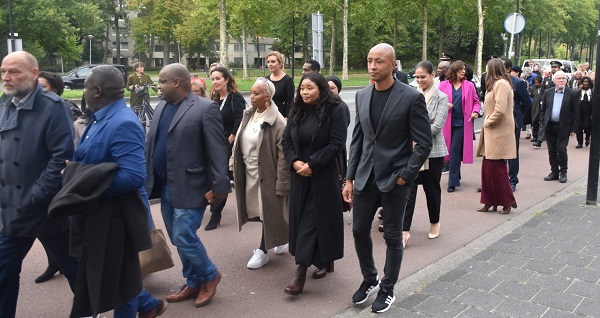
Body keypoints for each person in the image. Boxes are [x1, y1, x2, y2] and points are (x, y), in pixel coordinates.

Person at [49, 65, 167, 318]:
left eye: (87, 86)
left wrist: (83, 184)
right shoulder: (100, 117)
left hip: (114, 219)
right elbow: (94, 164)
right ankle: (148, 306)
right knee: (117, 278)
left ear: (97, 90)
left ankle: (145, 307)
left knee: (122, 284)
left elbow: (134, 176)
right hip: (98, 215)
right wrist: (76, 170)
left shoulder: (123, 122)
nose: (84, 91)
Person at [343, 43, 432, 313]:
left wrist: (405, 176)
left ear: (393, 65)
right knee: (359, 230)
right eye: (370, 60)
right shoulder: (362, 95)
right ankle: (370, 279)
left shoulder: (410, 97)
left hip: (395, 179)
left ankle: (388, 288)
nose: (372, 66)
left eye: (379, 61)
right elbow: (357, 140)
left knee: (392, 236)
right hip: (365, 177)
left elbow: (424, 142)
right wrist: (349, 178)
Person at [0, 51, 78, 318]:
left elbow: (62, 158)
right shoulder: (4, 103)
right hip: (12, 209)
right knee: (3, 272)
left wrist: (36, 196)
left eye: (14, 72)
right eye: (3, 71)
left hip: (45, 209)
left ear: (34, 74)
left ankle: (143, 304)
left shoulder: (54, 107)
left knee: (76, 271)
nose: (6, 77)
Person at [145, 63, 230, 308]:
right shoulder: (160, 107)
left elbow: (217, 150)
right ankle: (193, 281)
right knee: (176, 236)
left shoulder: (205, 108)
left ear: (177, 82)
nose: (158, 86)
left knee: (184, 235)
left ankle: (211, 274)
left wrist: (220, 186)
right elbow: (152, 144)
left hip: (192, 184)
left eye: (162, 81)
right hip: (165, 185)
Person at [281, 72, 347, 296]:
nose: (304, 92)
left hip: (322, 176)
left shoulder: (335, 111)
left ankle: (300, 270)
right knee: (304, 221)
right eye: (302, 88)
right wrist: (295, 162)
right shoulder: (297, 110)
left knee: (312, 220)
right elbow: (287, 139)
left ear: (320, 88)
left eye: (309, 88)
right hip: (300, 175)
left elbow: (336, 144)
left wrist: (313, 164)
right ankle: (324, 259)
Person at [232, 78, 290, 269]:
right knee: (257, 211)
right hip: (249, 173)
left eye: (256, 93)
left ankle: (263, 250)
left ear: (268, 97)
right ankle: (280, 236)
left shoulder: (278, 122)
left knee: (268, 211)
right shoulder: (249, 114)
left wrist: (281, 183)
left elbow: (283, 157)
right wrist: (233, 162)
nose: (251, 96)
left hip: (267, 175)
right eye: (251, 92)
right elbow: (239, 140)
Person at [32, 71, 82, 284]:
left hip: (51, 188)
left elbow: (62, 153)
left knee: (68, 250)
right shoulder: (24, 109)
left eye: (43, 87)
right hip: (29, 190)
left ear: (54, 89)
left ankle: (141, 300)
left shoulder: (60, 109)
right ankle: (55, 263)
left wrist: (40, 190)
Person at [402, 61, 448, 247]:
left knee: (432, 190)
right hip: (411, 151)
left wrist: (413, 131)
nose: (419, 80)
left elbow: (437, 126)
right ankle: (404, 229)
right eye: (417, 77)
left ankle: (434, 222)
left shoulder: (441, 97)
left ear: (432, 75)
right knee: (408, 191)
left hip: (433, 152)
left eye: (423, 77)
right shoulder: (411, 94)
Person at [476, 58, 517, 214]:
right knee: (488, 169)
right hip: (493, 131)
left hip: (498, 131)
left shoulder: (501, 84)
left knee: (497, 169)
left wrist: (487, 123)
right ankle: (489, 201)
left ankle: (507, 201)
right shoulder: (496, 84)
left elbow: (499, 109)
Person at [207, 66, 245, 230]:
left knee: (222, 177)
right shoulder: (214, 99)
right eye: (213, 78)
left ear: (226, 79)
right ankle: (213, 204)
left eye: (218, 78)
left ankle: (216, 214)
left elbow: (240, 120)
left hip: (229, 145)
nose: (215, 82)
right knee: (212, 176)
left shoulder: (235, 98)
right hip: (213, 143)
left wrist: (230, 139)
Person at [438, 60, 481, 192]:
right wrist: (445, 105)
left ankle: (452, 181)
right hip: (447, 123)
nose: (464, 71)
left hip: (463, 124)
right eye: (461, 69)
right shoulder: (443, 85)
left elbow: (476, 102)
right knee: (449, 151)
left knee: (454, 150)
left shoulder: (469, 85)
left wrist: (475, 112)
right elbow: (436, 101)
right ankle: (456, 174)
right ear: (454, 70)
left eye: (464, 69)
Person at [541, 70, 579, 183]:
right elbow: (543, 110)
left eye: (563, 78)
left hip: (564, 127)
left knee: (561, 150)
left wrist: (574, 128)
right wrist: (543, 122)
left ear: (566, 80)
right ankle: (554, 172)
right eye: (559, 78)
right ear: (554, 80)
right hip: (550, 126)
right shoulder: (548, 92)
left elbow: (576, 113)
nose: (561, 80)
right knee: (552, 151)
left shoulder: (572, 93)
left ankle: (563, 171)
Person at [501, 58, 532, 192]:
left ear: (508, 69)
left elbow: (527, 103)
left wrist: (518, 116)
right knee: (495, 151)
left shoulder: (518, 83)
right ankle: (496, 179)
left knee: (512, 151)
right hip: (498, 121)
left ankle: (512, 180)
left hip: (514, 120)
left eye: (502, 67)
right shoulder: (493, 81)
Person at [266, 51, 294, 118]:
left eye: (273, 62)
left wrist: (287, 117)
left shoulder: (288, 80)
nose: (270, 64)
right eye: (268, 62)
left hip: (281, 116)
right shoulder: (266, 79)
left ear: (280, 63)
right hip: (267, 115)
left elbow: (290, 101)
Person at [575, 76, 593, 148]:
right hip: (579, 111)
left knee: (587, 126)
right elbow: (574, 97)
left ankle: (587, 138)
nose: (585, 83)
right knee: (579, 127)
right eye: (584, 82)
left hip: (588, 112)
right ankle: (580, 142)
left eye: (587, 82)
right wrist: (579, 89)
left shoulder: (592, 91)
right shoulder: (579, 91)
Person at [530, 76, 545, 144]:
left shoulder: (544, 88)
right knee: (535, 121)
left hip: (542, 106)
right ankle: (535, 136)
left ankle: (541, 137)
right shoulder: (534, 87)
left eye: (536, 82)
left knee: (542, 122)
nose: (535, 84)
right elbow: (532, 94)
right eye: (534, 82)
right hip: (535, 106)